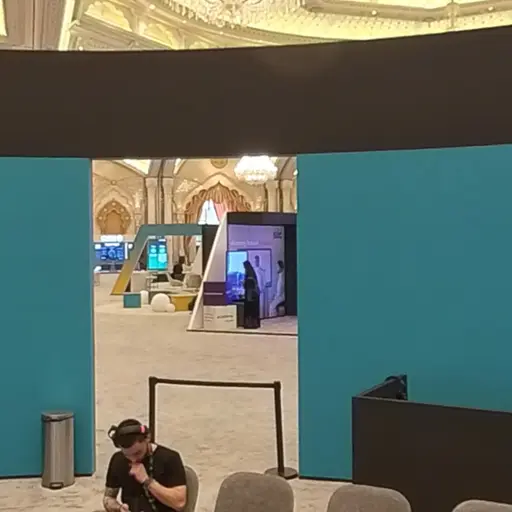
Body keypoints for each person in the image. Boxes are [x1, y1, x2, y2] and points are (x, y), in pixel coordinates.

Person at [103, 419, 187, 512]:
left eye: (137, 453)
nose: (133, 459)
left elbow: (179, 503)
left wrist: (147, 481)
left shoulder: (169, 458)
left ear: (147, 438)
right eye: (127, 455)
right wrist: (118, 508)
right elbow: (109, 498)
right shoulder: (118, 459)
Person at [243, 260, 261, 329]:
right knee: (254, 311)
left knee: (250, 310)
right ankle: (254, 324)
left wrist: (248, 299)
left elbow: (248, 288)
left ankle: (250, 324)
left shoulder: (249, 277)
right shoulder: (252, 274)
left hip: (250, 297)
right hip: (254, 296)